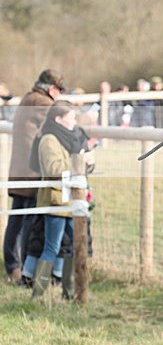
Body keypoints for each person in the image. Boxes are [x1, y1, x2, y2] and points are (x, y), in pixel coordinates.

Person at [3, 69, 65, 284]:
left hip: (18, 170)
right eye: (58, 89)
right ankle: (23, 269)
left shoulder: (27, 99)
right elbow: (63, 115)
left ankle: (12, 267)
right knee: (29, 220)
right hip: (32, 171)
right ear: (51, 88)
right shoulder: (43, 103)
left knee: (16, 219)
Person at [31, 101, 95, 300]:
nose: (75, 121)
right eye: (71, 117)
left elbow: (77, 166)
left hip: (72, 201)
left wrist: (88, 163)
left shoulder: (72, 138)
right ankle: (37, 294)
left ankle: (70, 292)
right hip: (56, 201)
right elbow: (53, 169)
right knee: (52, 246)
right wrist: (80, 159)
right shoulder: (49, 139)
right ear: (59, 119)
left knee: (75, 246)